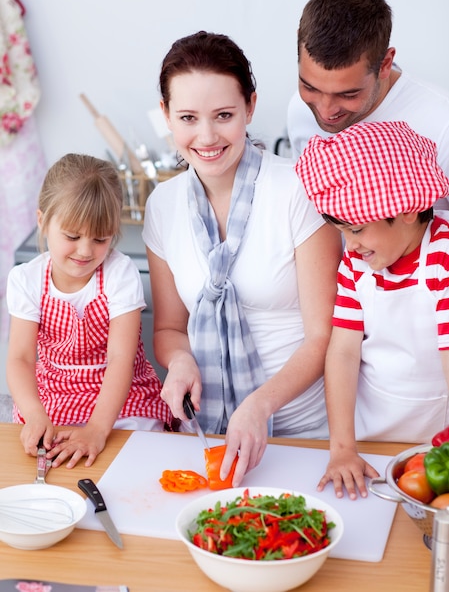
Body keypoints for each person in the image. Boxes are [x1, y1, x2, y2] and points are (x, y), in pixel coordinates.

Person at [143, 31, 342, 487]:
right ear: (166, 116)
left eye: (224, 116)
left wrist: (260, 404)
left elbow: (322, 336)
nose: (207, 136)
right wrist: (180, 363)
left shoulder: (297, 189)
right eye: (188, 117)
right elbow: (171, 329)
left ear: (250, 107)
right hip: (210, 434)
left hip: (301, 433)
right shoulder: (163, 206)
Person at [296, 120, 449, 500]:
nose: (350, 246)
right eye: (343, 232)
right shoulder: (355, 266)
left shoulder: (443, 259)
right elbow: (344, 352)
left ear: (409, 209)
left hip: (435, 446)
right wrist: (343, 448)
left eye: (358, 230)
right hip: (369, 443)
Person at [6, 153, 173, 468]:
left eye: (100, 239)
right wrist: (35, 413)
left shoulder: (119, 272)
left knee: (137, 451)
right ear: (42, 221)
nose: (85, 251)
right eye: (72, 236)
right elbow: (21, 358)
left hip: (121, 394)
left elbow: (120, 359)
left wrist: (97, 428)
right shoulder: (26, 279)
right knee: (42, 455)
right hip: (54, 393)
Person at [287, 0, 449, 207]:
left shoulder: (442, 125)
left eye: (348, 94)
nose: (325, 111)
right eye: (310, 87)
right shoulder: (299, 109)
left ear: (385, 64)